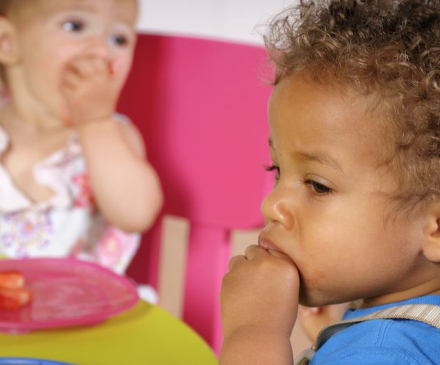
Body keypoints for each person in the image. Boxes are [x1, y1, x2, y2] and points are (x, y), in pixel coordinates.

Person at [220, 0, 440, 363]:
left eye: (318, 185)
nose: (271, 205)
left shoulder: (381, 353)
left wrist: (255, 329)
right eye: (276, 170)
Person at [0, 0, 163, 275]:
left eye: (118, 39)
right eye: (74, 26)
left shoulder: (112, 136)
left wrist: (95, 122)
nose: (101, 51)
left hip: (82, 313)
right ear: (7, 42)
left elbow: (136, 214)